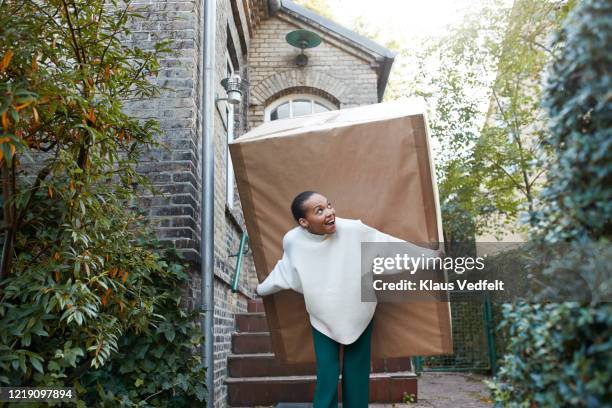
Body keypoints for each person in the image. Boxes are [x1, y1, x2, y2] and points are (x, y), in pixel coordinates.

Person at [255, 191, 442, 408]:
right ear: (304, 222)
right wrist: (261, 289)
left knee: (356, 372)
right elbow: (284, 271)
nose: (329, 212)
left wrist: (429, 257)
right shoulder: (293, 241)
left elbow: (388, 246)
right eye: (319, 211)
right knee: (327, 372)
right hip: (322, 317)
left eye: (329, 205)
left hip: (359, 312)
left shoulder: (353, 230)